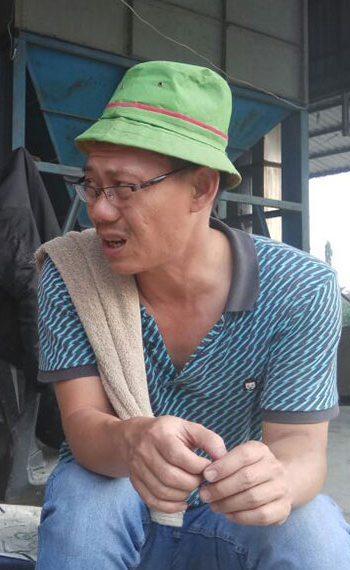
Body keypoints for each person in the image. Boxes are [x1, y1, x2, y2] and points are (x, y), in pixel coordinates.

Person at [35, 61, 350, 569]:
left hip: (228, 515)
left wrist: (276, 482)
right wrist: (132, 438)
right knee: (89, 495)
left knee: (312, 528)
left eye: (123, 187)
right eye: (92, 185)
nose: (99, 211)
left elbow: (300, 449)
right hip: (122, 495)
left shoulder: (298, 289)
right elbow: (82, 423)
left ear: (202, 189)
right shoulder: (74, 272)